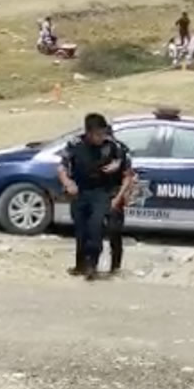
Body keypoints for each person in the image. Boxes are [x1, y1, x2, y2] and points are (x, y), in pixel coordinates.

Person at [58, 113, 133, 280]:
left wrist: (117, 168)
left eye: (103, 132)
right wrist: (68, 183)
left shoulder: (113, 146)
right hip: (80, 191)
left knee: (95, 228)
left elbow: (127, 170)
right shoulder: (75, 144)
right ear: (88, 133)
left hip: (102, 192)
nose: (101, 137)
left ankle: (92, 265)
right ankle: (80, 264)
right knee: (81, 230)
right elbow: (62, 166)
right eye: (97, 134)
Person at [105, 127, 136, 275]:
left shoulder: (121, 150)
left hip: (114, 195)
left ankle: (115, 267)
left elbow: (128, 176)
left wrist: (118, 198)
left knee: (114, 232)